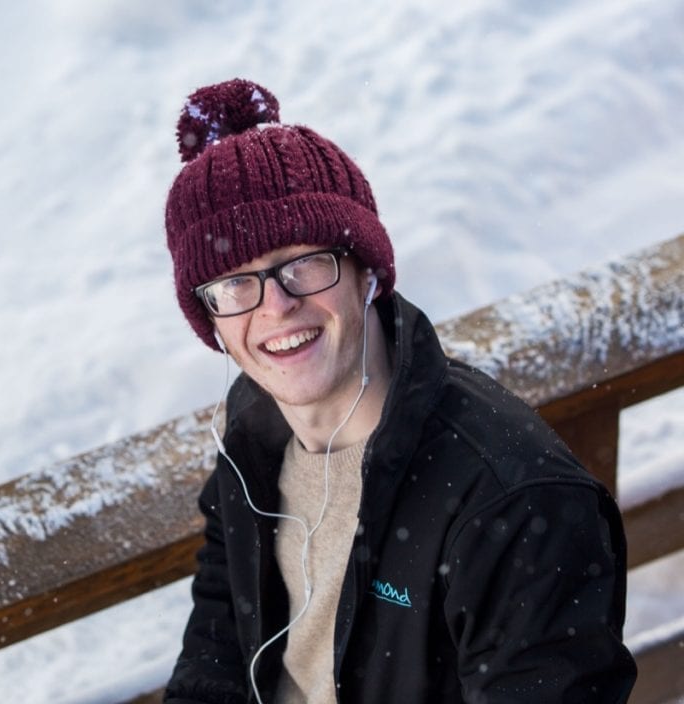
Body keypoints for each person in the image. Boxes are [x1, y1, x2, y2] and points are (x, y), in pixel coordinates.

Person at [161, 78, 636, 704]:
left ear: (366, 272)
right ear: (211, 319)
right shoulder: (255, 427)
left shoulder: (511, 500)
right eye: (233, 284)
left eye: (303, 262)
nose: (275, 307)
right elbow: (221, 629)